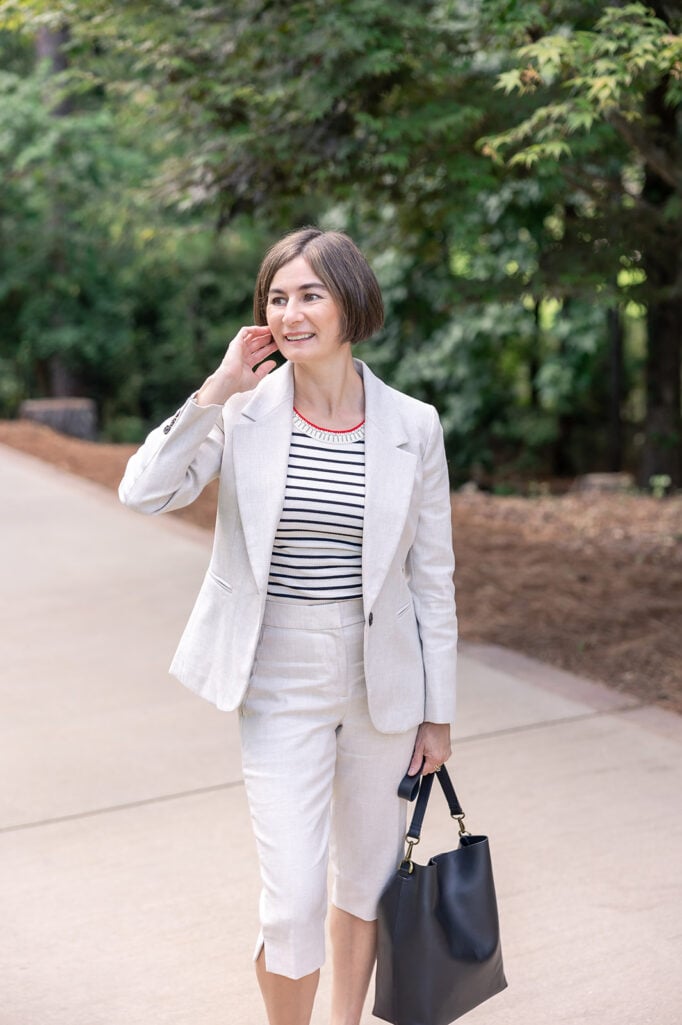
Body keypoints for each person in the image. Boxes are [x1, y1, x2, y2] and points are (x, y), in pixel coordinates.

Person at [119, 227, 458, 1025]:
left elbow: (433, 579)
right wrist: (217, 388)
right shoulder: (244, 414)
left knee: (365, 881)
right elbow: (143, 491)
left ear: (352, 303)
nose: (292, 311)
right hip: (277, 674)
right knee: (292, 900)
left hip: (384, 684)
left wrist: (438, 713)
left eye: (311, 293)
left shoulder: (415, 424)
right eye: (278, 295)